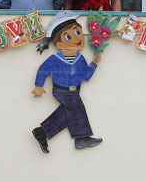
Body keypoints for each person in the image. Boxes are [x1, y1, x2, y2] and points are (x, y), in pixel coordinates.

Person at [31, 13, 102, 152]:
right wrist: (38, 85)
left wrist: (94, 63)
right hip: (61, 90)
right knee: (78, 108)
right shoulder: (55, 59)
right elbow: (43, 70)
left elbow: (86, 76)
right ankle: (82, 138)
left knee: (66, 113)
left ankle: (42, 132)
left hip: (75, 90)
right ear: (59, 44)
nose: (76, 38)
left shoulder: (80, 59)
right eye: (69, 36)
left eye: (78, 32)